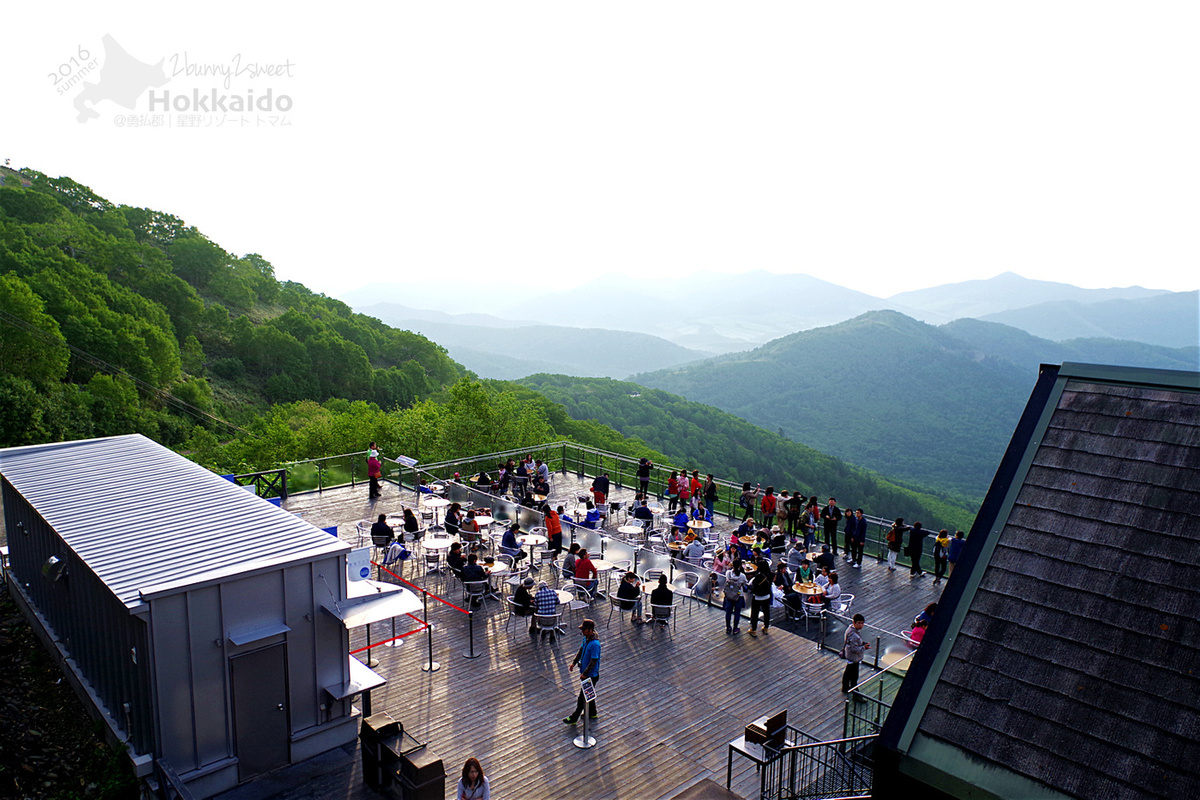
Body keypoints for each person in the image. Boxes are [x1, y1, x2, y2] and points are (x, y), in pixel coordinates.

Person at [563, 619, 601, 724]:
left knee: (582, 698)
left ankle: (574, 717)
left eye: (584, 630)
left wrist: (585, 674)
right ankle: (593, 713)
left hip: (591, 676)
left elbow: (594, 661)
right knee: (589, 695)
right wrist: (574, 662)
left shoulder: (595, 644)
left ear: (590, 630)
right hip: (586, 674)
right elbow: (581, 651)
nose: (582, 632)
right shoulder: (586, 639)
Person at [842, 614, 870, 693]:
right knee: (854, 675)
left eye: (862, 623)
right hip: (854, 657)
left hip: (850, 655)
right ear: (854, 622)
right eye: (859, 623)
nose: (861, 625)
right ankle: (855, 692)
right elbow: (855, 649)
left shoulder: (850, 630)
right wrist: (864, 647)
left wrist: (862, 644)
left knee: (848, 673)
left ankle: (845, 687)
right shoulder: (854, 635)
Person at [748, 558, 772, 637]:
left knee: (755, 613)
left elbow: (752, 584)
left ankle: (754, 630)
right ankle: (766, 628)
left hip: (758, 597)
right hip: (767, 596)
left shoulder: (758, 576)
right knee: (766, 612)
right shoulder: (770, 574)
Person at [722, 560, 748, 635]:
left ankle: (728, 627)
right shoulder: (742, 576)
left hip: (729, 594)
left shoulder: (728, 573)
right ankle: (735, 628)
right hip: (739, 596)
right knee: (737, 613)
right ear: (740, 566)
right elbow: (745, 583)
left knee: (728, 612)